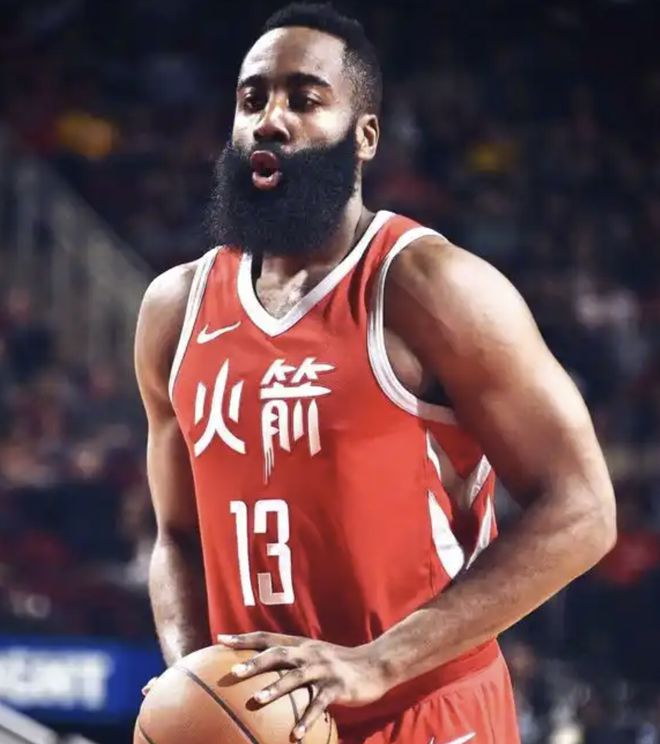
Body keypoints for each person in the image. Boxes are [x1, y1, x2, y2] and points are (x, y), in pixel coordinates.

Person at [134, 4, 616, 743]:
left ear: (364, 136)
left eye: (305, 99)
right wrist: (194, 684)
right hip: (275, 728)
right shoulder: (175, 311)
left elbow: (583, 510)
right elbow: (176, 536)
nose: (270, 120)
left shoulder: (432, 288)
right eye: (252, 99)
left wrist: (376, 663)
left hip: (427, 714)